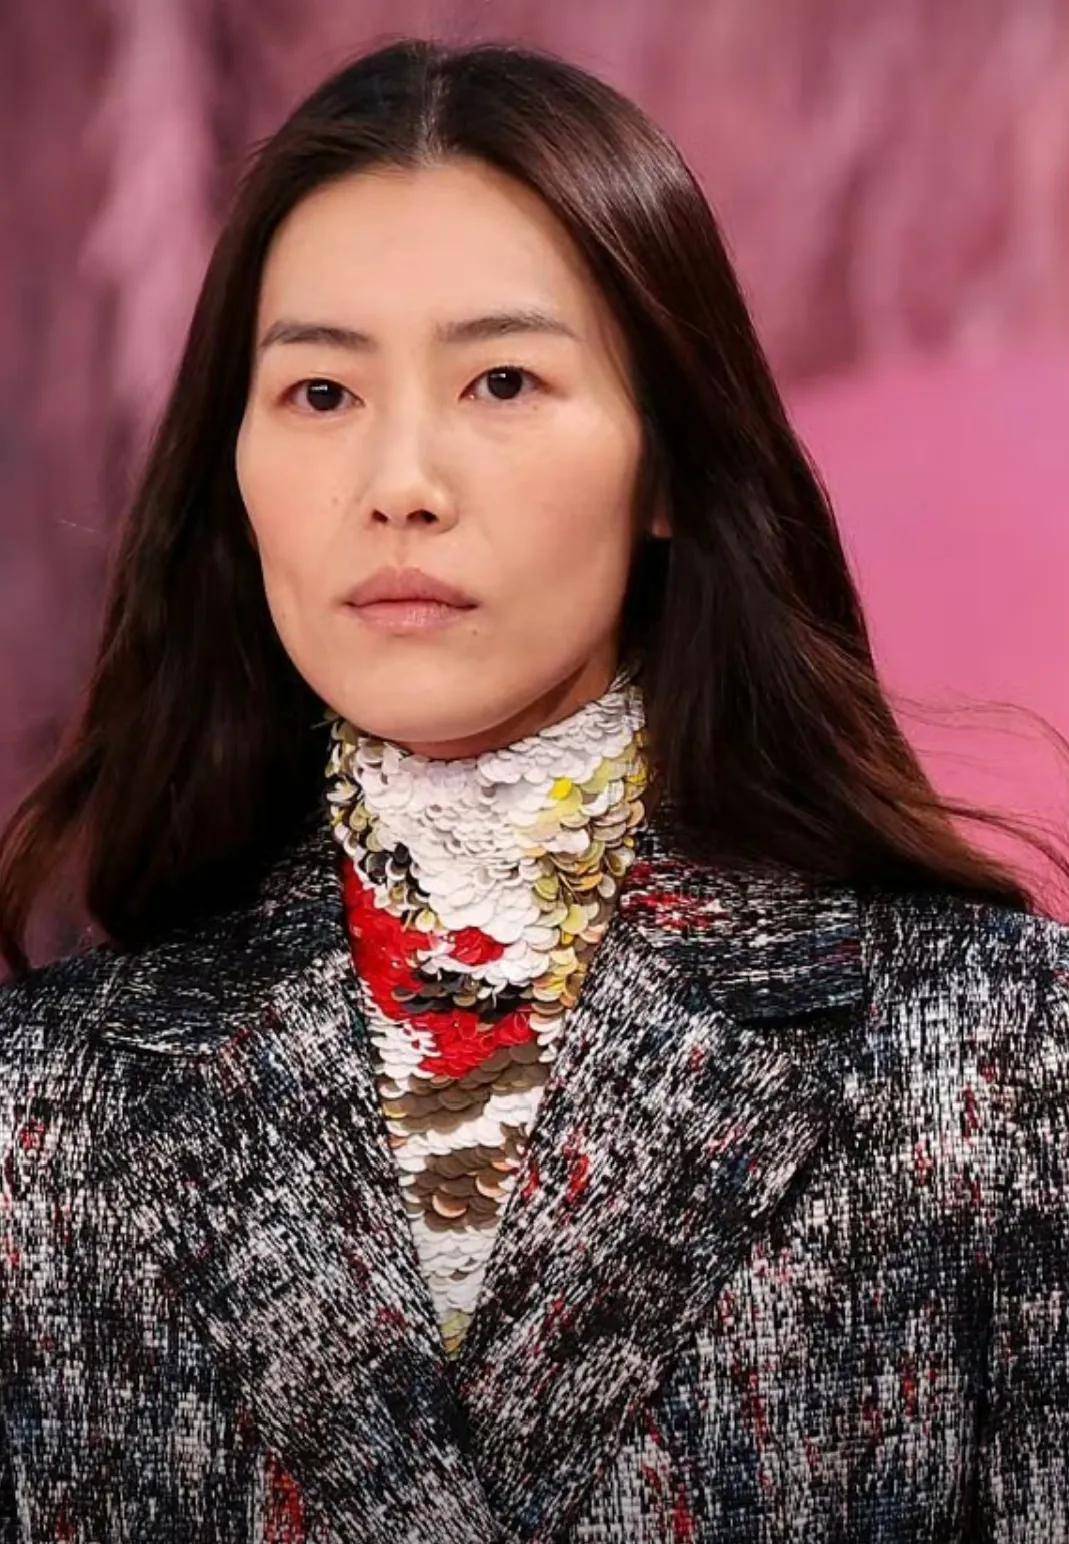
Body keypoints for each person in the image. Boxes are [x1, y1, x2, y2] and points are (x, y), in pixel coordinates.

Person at [0, 33, 1067, 1544]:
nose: (400, 483)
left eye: (502, 380)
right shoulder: (44, 1105)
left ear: (669, 465)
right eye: (319, 392)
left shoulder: (997, 1057)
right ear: (230, 476)